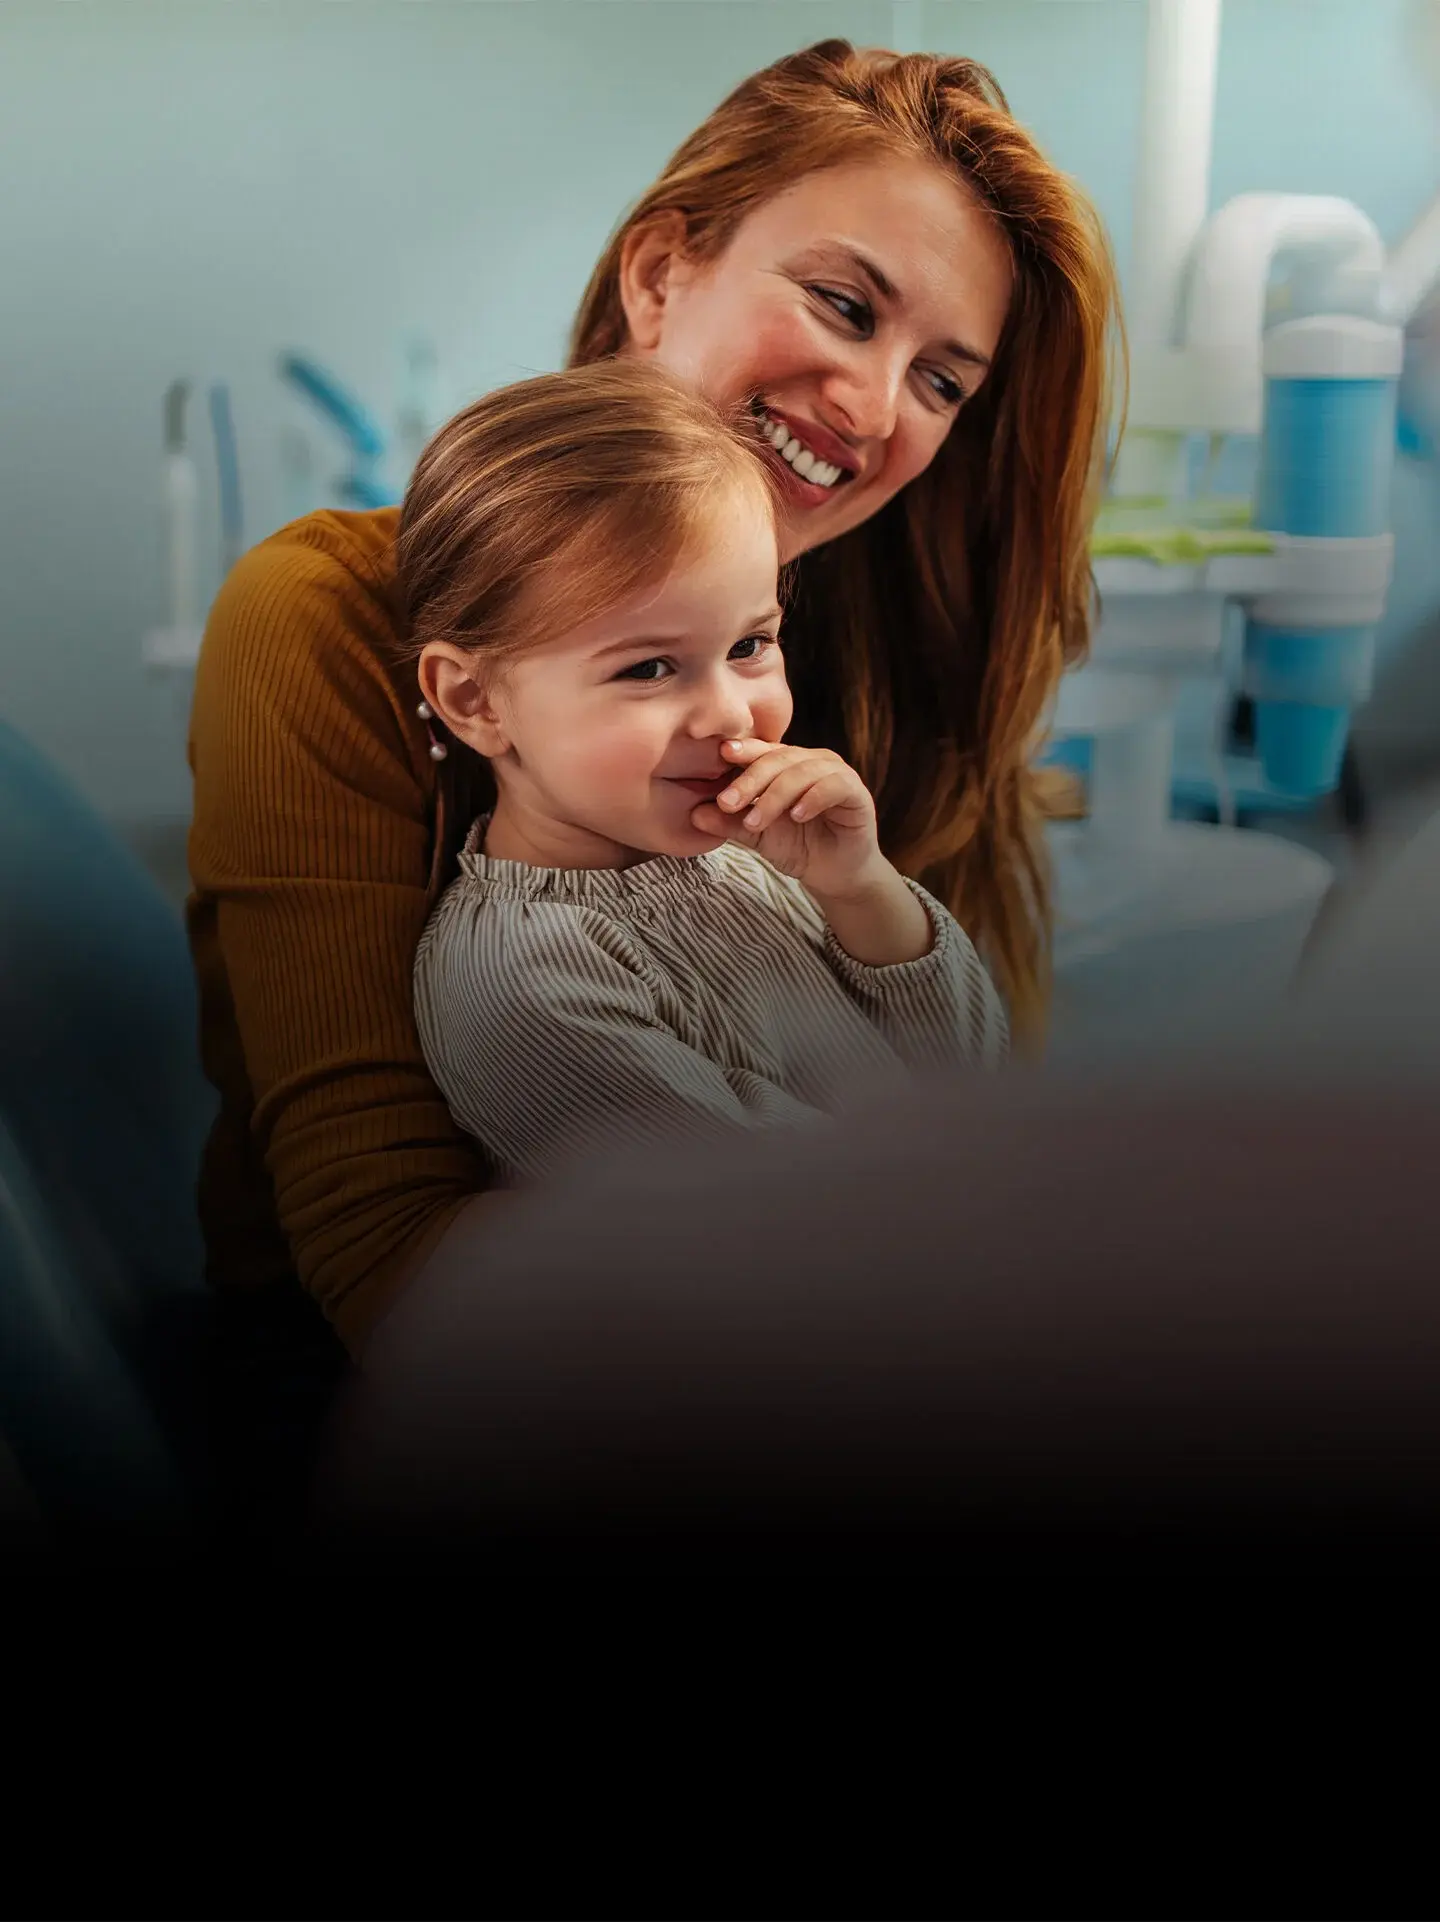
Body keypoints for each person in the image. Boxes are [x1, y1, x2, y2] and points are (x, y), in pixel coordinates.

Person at [185, 39, 1121, 1515]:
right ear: (660, 274)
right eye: (842, 302)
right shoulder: (321, 620)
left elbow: (941, 1090)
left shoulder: (811, 691)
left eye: (942, 379)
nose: (877, 409)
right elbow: (384, 1258)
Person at [401, 361, 1008, 1185]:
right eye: (649, 669)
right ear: (475, 701)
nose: (729, 713)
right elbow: (800, 1228)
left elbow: (980, 1083)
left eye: (750, 645)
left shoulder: (749, 863)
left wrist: (863, 889)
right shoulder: (520, 985)